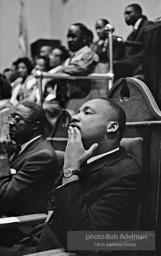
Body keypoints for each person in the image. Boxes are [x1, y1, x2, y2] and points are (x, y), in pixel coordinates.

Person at [0, 99, 142, 255]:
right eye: (78, 111)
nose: (75, 117)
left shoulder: (126, 175)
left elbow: (85, 241)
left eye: (87, 112)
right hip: (37, 240)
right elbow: (52, 210)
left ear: (112, 126)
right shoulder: (82, 159)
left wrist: (70, 170)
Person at [0, 101, 59, 217]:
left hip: (20, 226)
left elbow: (4, 200)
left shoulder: (42, 157)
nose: (11, 123)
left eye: (17, 119)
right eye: (11, 117)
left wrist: (3, 156)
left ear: (35, 126)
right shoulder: (20, 146)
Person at [114, 4, 151, 81]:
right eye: (125, 14)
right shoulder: (133, 33)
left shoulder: (147, 25)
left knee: (115, 65)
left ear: (138, 13)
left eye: (129, 13)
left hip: (143, 60)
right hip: (135, 60)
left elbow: (147, 47)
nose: (125, 16)